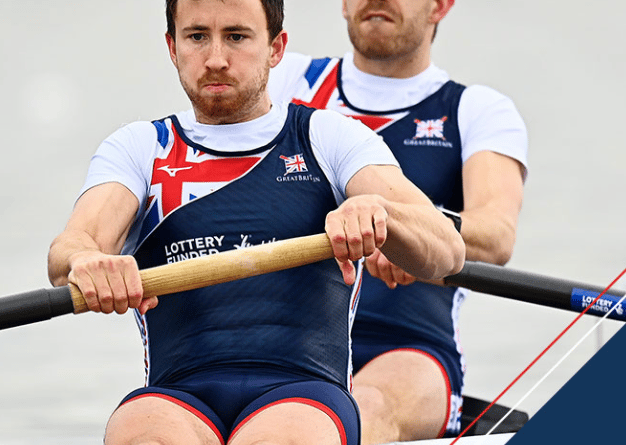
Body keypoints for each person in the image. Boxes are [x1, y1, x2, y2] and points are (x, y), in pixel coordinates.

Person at [46, 0, 465, 444]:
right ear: (172, 47)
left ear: (276, 48)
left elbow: (447, 250)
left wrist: (381, 213)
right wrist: (88, 261)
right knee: (135, 431)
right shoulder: (139, 147)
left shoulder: (328, 136)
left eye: (237, 36)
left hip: (304, 396)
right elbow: (71, 248)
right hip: (175, 398)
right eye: (196, 37)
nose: (215, 59)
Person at [268, 0, 528, 443]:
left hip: (408, 350)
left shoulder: (476, 110)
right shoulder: (283, 79)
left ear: (440, 6)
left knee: (359, 411)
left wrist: (408, 231)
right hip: (281, 344)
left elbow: (496, 234)